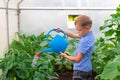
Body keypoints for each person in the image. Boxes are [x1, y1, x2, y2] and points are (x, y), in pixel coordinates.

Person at [57, 14, 95, 80]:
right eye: (77, 30)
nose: (78, 32)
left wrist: (65, 56)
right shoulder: (88, 35)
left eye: (79, 30)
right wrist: (62, 30)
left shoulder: (85, 41)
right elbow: (74, 35)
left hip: (80, 70)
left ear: (87, 28)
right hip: (87, 69)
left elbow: (77, 59)